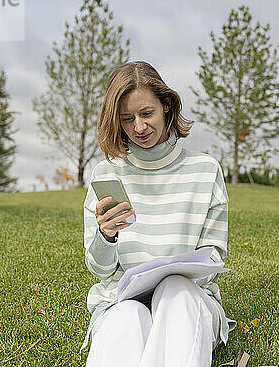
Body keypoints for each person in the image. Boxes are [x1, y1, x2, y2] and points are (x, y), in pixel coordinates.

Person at [80, 61, 236, 366]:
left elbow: (213, 259)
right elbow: (100, 271)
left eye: (146, 113)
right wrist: (106, 236)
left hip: (189, 302)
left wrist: (171, 276)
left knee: (176, 290)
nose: (138, 127)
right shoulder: (105, 175)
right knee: (127, 314)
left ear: (166, 105)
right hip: (121, 301)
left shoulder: (204, 171)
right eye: (127, 119)